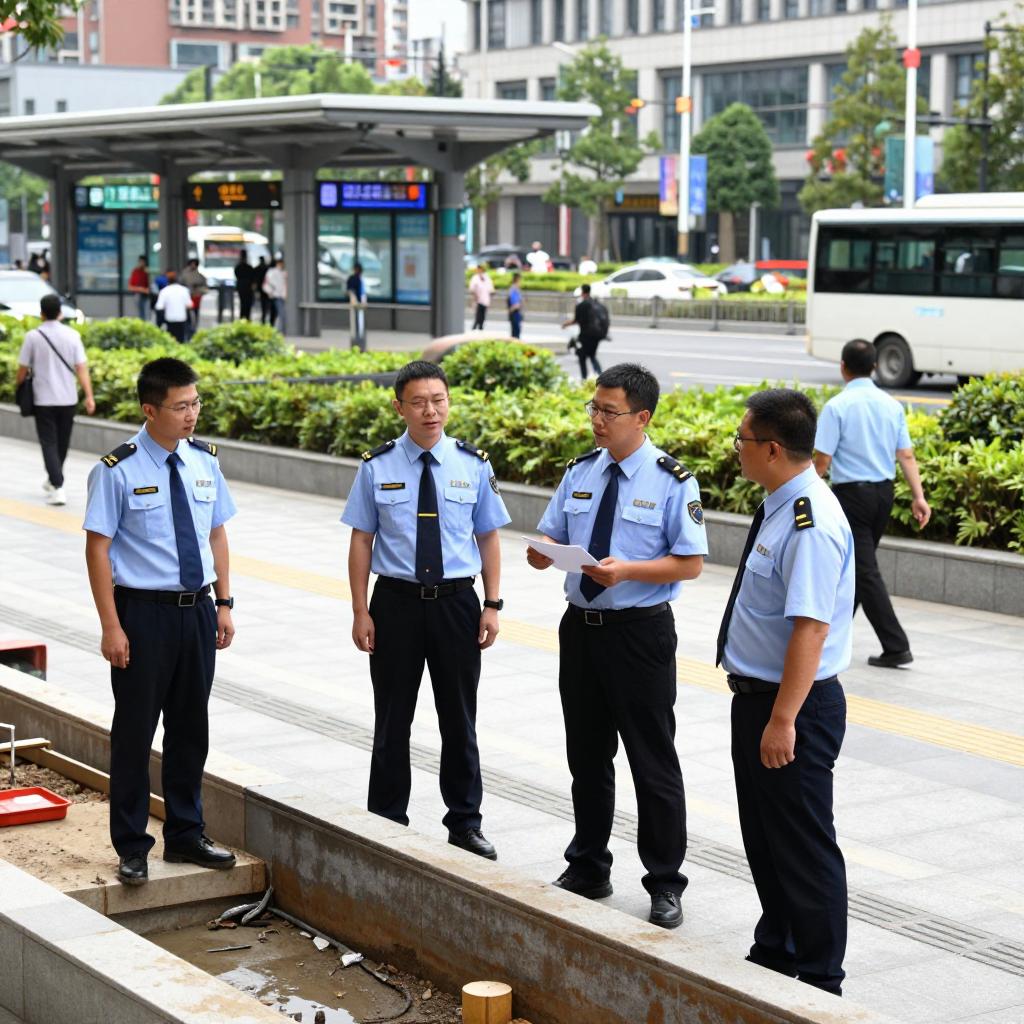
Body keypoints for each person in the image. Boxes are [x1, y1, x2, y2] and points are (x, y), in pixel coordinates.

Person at [527, 363, 707, 930]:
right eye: (594, 409)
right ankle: (588, 866)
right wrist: (544, 550)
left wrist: (628, 570)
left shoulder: (672, 480)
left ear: (642, 417)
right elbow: (553, 530)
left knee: (652, 760)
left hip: (639, 633)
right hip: (580, 629)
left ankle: (664, 882)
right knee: (586, 754)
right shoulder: (581, 471)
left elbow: (691, 562)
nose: (598, 421)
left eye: (610, 412)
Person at [342, 360, 511, 860]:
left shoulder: (473, 465)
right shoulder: (376, 466)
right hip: (394, 603)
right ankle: (387, 817)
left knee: (459, 718)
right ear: (399, 407)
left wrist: (493, 603)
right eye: (418, 401)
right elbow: (361, 541)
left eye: (438, 400)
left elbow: (489, 538)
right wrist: (359, 610)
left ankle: (465, 821)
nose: (430, 410)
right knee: (393, 717)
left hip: (457, 604)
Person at [717, 388, 854, 997]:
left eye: (742, 441)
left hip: (792, 707)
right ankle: (777, 947)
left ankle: (822, 979)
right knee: (765, 836)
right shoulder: (781, 501)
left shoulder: (811, 521)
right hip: (759, 699)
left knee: (802, 843)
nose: (737, 450)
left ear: (772, 448)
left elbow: (812, 627)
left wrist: (782, 720)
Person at [83, 356, 237, 886]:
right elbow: (98, 549)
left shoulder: (204, 463)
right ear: (150, 410)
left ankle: (186, 835)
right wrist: (111, 625)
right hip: (141, 615)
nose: (192, 414)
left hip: (195, 610)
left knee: (191, 727)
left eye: (195, 403)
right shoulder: (116, 469)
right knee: (134, 731)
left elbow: (217, 533)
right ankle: (131, 845)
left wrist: (225, 601)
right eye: (180, 406)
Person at [813, 338, 931, 668]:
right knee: (855, 566)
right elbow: (905, 454)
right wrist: (919, 497)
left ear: (843, 367)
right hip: (884, 495)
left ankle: (896, 646)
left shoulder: (837, 406)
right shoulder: (891, 405)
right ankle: (829, 635)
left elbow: (822, 461)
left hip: (853, 497)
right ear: (875, 367)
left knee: (863, 570)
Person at [15, 293, 96, 506]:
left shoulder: (33, 337)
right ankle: (56, 481)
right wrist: (89, 396)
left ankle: (57, 484)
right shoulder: (72, 336)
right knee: (62, 443)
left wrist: (19, 386)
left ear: (41, 313)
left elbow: (22, 369)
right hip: (68, 398)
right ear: (60, 312)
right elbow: (81, 368)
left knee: (49, 443)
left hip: (43, 399)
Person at [562, 283, 606, 379]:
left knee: (582, 356)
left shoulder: (581, 305)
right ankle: (600, 375)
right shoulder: (597, 304)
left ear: (582, 292)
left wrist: (565, 324)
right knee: (592, 355)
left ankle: (584, 378)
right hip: (598, 335)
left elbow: (576, 320)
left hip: (586, 335)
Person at [155, 271, 193, 343]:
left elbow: (159, 307)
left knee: (170, 340)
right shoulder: (184, 290)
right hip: (182, 319)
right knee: (181, 340)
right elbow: (190, 305)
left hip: (169, 319)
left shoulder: (164, 291)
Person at [180, 259, 208, 338]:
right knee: (188, 312)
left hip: (196, 296)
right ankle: (188, 327)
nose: (193, 266)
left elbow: (204, 285)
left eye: (194, 264)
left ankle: (193, 327)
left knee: (196, 312)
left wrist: (199, 289)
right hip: (188, 295)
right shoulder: (185, 274)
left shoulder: (199, 275)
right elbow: (181, 283)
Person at [346, 261, 367, 349]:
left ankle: (360, 341)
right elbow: (350, 291)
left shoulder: (360, 279)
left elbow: (363, 292)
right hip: (356, 303)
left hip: (360, 303)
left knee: (360, 323)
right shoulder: (353, 279)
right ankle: (356, 342)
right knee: (356, 323)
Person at [264, 257, 288, 335]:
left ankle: (275, 330)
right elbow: (267, 283)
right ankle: (278, 331)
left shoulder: (282, 272)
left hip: (277, 295)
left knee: (274, 314)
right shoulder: (273, 272)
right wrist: (271, 292)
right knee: (279, 314)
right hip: (275, 295)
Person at [469, 264, 495, 330]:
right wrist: (475, 295)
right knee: (478, 314)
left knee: (483, 315)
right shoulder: (475, 278)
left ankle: (480, 326)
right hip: (478, 299)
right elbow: (472, 289)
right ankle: (475, 327)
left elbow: (491, 289)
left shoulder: (487, 278)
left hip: (485, 299)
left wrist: (492, 293)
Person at [233, 250, 255, 321]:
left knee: (243, 303)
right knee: (247, 304)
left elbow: (236, 275)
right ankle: (246, 318)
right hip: (247, 287)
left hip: (241, 287)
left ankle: (242, 318)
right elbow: (252, 277)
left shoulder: (238, 267)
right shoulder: (249, 268)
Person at [128, 255, 151, 322]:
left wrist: (148, 274)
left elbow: (149, 287)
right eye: (141, 262)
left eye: (143, 262)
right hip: (137, 295)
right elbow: (130, 287)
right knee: (140, 313)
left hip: (145, 296)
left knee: (146, 313)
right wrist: (141, 289)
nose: (142, 263)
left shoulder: (146, 272)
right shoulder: (135, 271)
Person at [253, 256, 271, 324]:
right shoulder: (267, 268)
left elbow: (255, 280)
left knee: (263, 304)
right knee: (266, 304)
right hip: (266, 288)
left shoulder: (257, 269)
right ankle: (264, 317)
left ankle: (263, 317)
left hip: (261, 288)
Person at [507, 272, 523, 339]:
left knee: (516, 329)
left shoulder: (516, 289)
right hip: (514, 311)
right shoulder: (513, 289)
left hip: (516, 311)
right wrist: (515, 306)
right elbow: (512, 301)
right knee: (515, 330)